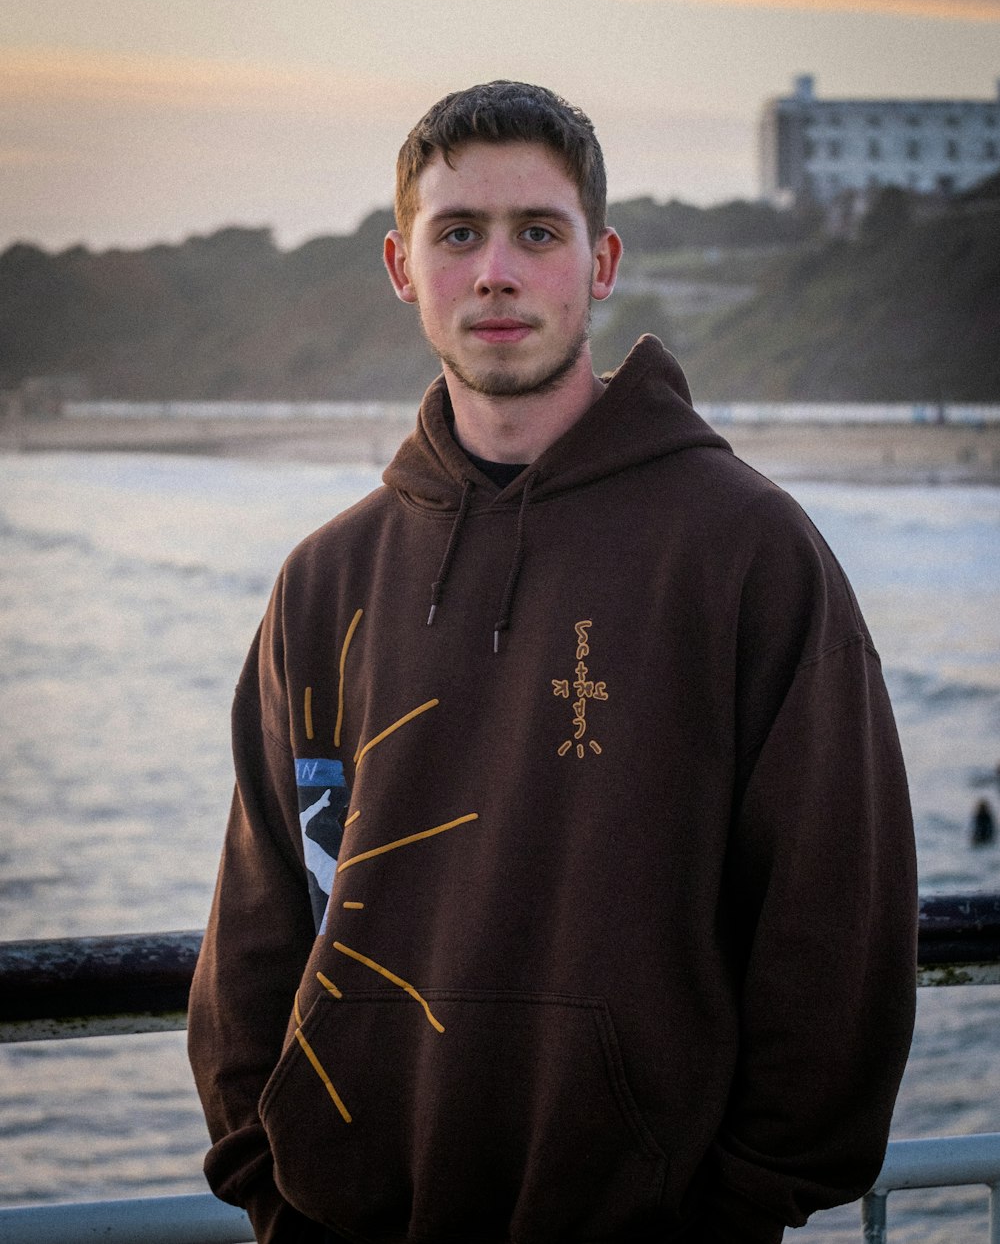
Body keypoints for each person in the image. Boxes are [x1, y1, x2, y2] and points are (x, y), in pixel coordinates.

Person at [188, 80, 917, 1244]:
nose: (496, 272)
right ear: (400, 265)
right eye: (458, 233)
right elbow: (261, 920)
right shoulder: (326, 579)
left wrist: (732, 1208)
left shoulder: (743, 551)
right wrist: (272, 1185)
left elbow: (835, 925)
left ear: (602, 260)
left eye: (538, 231)